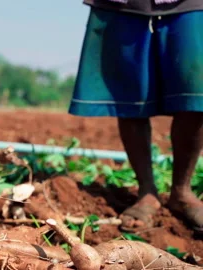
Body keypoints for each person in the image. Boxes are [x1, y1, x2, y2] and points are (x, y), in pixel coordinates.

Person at [69, 0, 203, 233]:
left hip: (190, 4)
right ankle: (147, 191)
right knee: (129, 95)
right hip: (125, 5)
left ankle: (182, 191)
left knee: (196, 93)